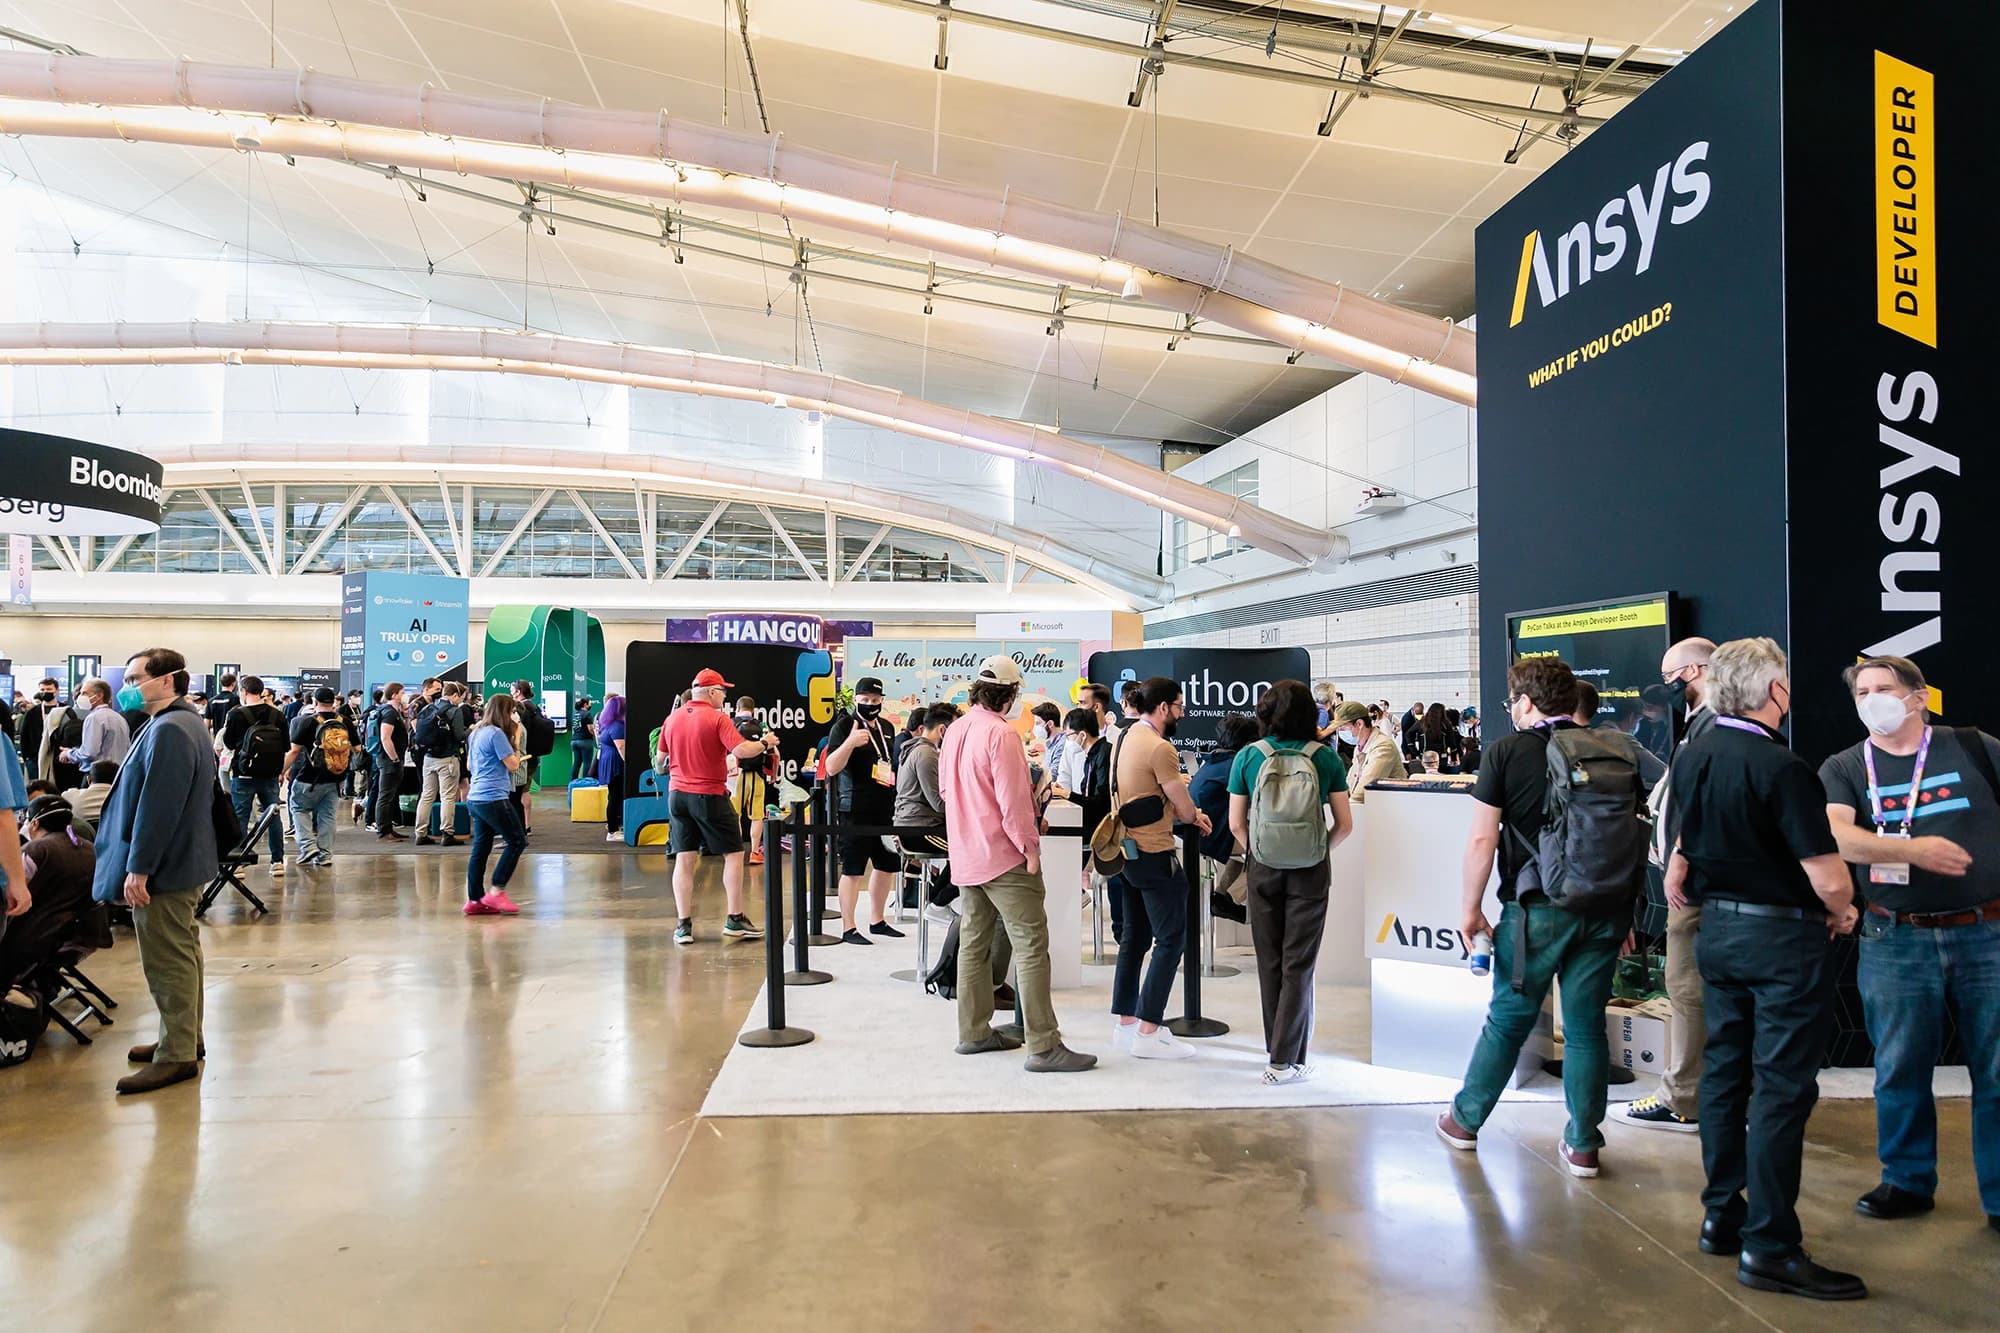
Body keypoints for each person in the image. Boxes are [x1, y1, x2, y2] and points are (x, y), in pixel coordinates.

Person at [1663, 637, 1865, 1300]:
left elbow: (1683, 845)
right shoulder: (1783, 767)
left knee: (1724, 1073)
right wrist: (1843, 908)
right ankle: (1772, 1244)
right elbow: (1826, 873)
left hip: (1718, 931)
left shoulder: (1696, 752)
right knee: (1782, 1088)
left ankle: (1724, 1213)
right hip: (1782, 941)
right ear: (1774, 690)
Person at [1819, 655, 1999, 1237]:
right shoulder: (1846, 765)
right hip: (1895, 935)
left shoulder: (1973, 746)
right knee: (1899, 1065)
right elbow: (1837, 835)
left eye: (1884, 688)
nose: (1872, 699)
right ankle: (1907, 1179)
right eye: (1861, 691)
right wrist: (1913, 851)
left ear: (1918, 697)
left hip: (1986, 932)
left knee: (1996, 1069)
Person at [1436, 657, 1627, 1180]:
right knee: (1587, 1028)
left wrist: (1470, 909)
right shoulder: (1613, 750)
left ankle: (1464, 1121)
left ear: (1524, 702)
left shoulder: (1507, 752)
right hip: (1606, 907)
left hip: (1536, 907)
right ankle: (1584, 1144)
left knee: (1509, 1021)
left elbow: (1482, 839)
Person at [938, 655, 1095, 1072]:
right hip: (1004, 855)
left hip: (967, 852)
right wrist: (1030, 848)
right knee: (1031, 945)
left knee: (975, 943)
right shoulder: (1002, 734)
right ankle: (1043, 1044)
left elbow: (945, 792)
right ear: (1009, 694)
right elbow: (1011, 802)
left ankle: (973, 1031)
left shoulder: (955, 730)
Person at [93, 648, 220, 1096]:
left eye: (135, 677)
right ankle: (183, 1037)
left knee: (167, 960)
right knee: (182, 953)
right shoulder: (180, 724)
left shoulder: (169, 729)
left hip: (166, 866)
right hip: (184, 859)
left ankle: (177, 1054)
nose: (127, 685)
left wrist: (139, 868)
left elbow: (158, 808)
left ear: (167, 680)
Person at [1230, 680, 1354, 1083]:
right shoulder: (1326, 759)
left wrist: (1259, 852)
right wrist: (1318, 850)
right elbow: (1344, 824)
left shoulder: (1249, 756)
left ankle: (1278, 1051)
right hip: (1311, 871)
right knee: (1299, 964)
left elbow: (1235, 822)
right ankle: (1285, 1060)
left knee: (1269, 961)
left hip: (1263, 867)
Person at [1622, 636, 1719, 1134]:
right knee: (1687, 987)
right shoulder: (1701, 725)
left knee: (1686, 988)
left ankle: (1683, 1097)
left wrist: (1680, 855)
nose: (1666, 689)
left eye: (1670, 677)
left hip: (1694, 887)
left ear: (1696, 670)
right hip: (1689, 883)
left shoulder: (1713, 726)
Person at [1107, 676, 1208, 1062]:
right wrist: (1194, 815)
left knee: (1135, 937)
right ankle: (1149, 1031)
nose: (1182, 713)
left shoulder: (1125, 737)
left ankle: (1127, 1023)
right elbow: (1182, 806)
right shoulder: (1160, 747)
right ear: (1164, 707)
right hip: (1153, 850)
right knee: (1171, 939)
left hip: (1125, 850)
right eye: (1180, 706)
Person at [662, 668, 772, 946]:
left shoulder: (672, 719)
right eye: (723, 691)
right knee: (734, 854)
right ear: (711, 692)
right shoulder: (718, 718)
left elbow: (660, 760)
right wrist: (765, 743)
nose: (725, 696)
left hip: (677, 796)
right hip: (709, 794)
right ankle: (735, 918)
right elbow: (742, 751)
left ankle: (683, 925)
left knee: (685, 859)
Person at [823, 675, 904, 944]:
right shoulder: (844, 726)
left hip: (884, 807)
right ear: (856, 699)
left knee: (887, 866)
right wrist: (850, 742)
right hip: (853, 808)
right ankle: (848, 927)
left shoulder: (886, 727)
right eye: (865, 699)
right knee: (853, 869)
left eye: (875, 700)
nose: (870, 704)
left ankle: (877, 920)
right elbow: (831, 768)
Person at [1, 794, 95, 997]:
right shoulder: (87, 848)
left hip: (34, 936)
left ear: (33, 824)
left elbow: (8, 894)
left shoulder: (36, 851)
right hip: (70, 933)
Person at [462, 695, 527, 917]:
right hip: (493, 797)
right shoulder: (497, 734)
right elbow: (513, 764)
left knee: (481, 847)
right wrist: (516, 738)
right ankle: (497, 890)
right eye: (511, 712)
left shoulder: (476, 732)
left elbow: (470, 766)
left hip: (476, 797)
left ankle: (474, 899)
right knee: (517, 841)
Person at [218, 675, 290, 874]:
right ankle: (277, 862)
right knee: (273, 815)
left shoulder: (236, 715)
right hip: (270, 774)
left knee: (240, 816)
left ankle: (238, 862)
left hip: (242, 774)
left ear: (243, 692)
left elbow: (230, 744)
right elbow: (285, 745)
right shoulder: (278, 715)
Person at [1190, 713, 1257, 918]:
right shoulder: (1235, 765)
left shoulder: (1215, 760)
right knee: (1266, 851)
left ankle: (1222, 897)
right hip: (1211, 835)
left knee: (1245, 850)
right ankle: (1229, 898)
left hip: (1200, 833)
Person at [283, 688, 352, 870]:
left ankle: (308, 846)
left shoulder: (307, 722)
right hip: (336, 778)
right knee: (328, 816)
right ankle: (325, 856)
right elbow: (358, 749)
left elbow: (294, 751)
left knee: (298, 808)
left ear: (314, 702)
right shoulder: (344, 722)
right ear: (334, 702)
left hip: (309, 777)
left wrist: (282, 771)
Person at [1576, 681, 1666, 788]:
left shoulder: (1589, 737)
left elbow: (1578, 777)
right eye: (1639, 720)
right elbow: (1662, 773)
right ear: (1632, 717)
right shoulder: (1625, 741)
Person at [413, 681, 469, 847]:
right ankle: (447, 833)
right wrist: (472, 728)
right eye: (460, 697)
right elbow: (460, 736)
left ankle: (420, 833)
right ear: (454, 695)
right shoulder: (454, 711)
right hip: (447, 759)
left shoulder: (428, 708)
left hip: (428, 758)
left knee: (427, 795)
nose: (460, 701)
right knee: (448, 796)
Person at [1332, 700, 1405, 803]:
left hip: (1387, 811)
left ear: (1359, 724)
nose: (1340, 732)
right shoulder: (1360, 747)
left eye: (1342, 727)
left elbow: (1363, 790)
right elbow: (1350, 782)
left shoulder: (1383, 747)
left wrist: (1341, 809)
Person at [729, 696, 773, 865]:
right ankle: (754, 852)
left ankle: (737, 851)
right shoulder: (762, 726)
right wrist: (773, 774)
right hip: (757, 774)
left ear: (737, 708)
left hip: (734, 776)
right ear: (753, 709)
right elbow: (773, 751)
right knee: (757, 816)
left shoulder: (730, 724)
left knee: (734, 816)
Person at [366, 682, 411, 841]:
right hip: (388, 760)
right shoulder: (389, 713)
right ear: (394, 694)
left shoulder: (394, 712)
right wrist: (394, 758)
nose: (404, 695)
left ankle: (388, 828)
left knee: (390, 795)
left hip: (391, 759)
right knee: (385, 796)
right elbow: (385, 737)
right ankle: (384, 831)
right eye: (402, 692)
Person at [61, 677, 131, 774]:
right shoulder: (119, 718)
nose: (80, 697)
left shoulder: (94, 718)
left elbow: (89, 754)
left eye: (84, 693)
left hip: (98, 775)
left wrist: (68, 754)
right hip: (118, 773)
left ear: (99, 696)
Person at [597, 694, 628, 843]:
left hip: (608, 761)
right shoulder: (618, 726)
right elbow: (621, 747)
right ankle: (613, 830)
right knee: (616, 796)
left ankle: (614, 826)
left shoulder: (607, 724)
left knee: (613, 796)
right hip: (616, 764)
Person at [63, 761, 118, 835]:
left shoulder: (69, 796)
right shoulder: (124, 800)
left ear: (88, 779)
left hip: (79, 844)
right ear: (118, 780)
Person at [570, 695, 597, 784]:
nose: (590, 705)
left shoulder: (575, 714)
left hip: (574, 740)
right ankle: (586, 783)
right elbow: (590, 728)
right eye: (589, 704)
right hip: (585, 741)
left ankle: (572, 782)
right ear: (585, 704)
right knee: (587, 763)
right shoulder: (587, 714)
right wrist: (595, 735)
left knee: (576, 763)